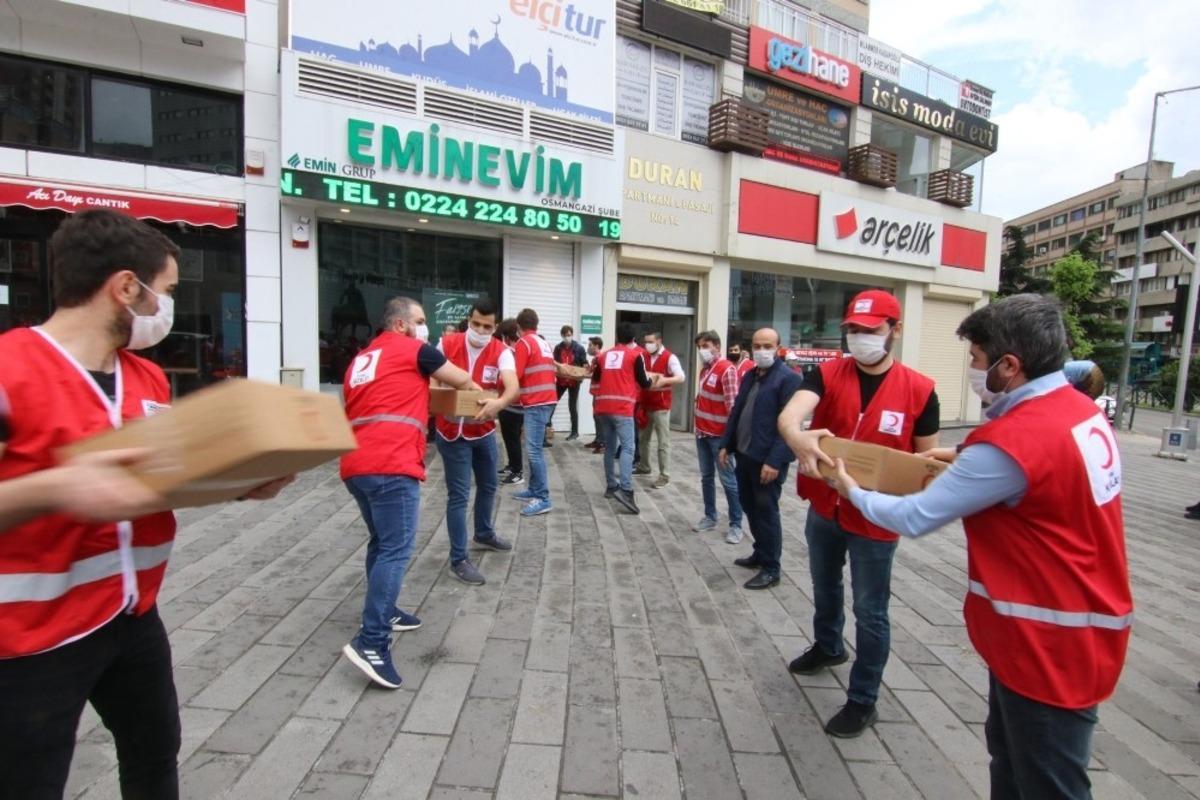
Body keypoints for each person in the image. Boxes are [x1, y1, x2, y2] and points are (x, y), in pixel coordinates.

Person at [0, 210, 291, 798]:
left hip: (133, 618)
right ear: (126, 288)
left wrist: (238, 482)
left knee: (156, 757)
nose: (169, 308)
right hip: (31, 639)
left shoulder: (149, 381)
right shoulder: (9, 370)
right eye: (169, 292)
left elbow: (163, 480)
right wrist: (53, 487)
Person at [823, 294, 1132, 800]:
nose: (971, 368)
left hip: (1047, 641)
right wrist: (961, 451)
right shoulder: (1076, 409)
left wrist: (851, 489)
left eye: (976, 359)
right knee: (1012, 763)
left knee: (1047, 782)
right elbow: (1018, 458)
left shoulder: (1016, 440)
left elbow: (916, 515)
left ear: (1010, 366)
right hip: (1073, 625)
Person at [776, 289, 939, 739]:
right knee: (824, 586)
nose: (860, 338)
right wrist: (797, 437)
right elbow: (792, 416)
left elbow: (927, 466)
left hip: (876, 519)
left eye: (871, 331)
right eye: (853, 330)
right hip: (826, 507)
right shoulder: (825, 373)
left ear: (895, 331)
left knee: (871, 611)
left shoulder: (921, 391)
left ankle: (863, 698)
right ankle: (828, 647)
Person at [340, 296, 478, 689]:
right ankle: (371, 641)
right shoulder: (414, 349)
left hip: (355, 466)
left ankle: (387, 613)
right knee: (396, 549)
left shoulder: (362, 360)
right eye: (419, 320)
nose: (424, 328)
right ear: (400, 324)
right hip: (392, 463)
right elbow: (463, 381)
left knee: (380, 543)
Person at [435, 300, 518, 586]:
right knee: (458, 495)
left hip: (482, 432)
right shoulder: (446, 344)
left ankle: (483, 533)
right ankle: (458, 558)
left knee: (489, 485)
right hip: (451, 432)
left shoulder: (502, 351)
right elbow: (430, 381)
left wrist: (500, 403)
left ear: (495, 327)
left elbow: (512, 385)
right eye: (476, 324)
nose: (480, 330)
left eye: (487, 326)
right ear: (468, 320)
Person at [718, 328, 802, 590]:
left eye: (767, 345)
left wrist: (775, 461)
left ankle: (771, 568)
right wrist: (726, 445)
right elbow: (737, 412)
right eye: (757, 345)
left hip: (767, 460)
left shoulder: (788, 379)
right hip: (745, 454)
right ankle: (760, 552)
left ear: (778, 347)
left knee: (766, 512)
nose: (761, 350)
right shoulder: (750, 375)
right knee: (749, 506)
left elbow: (790, 426)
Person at [593, 322, 654, 514]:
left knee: (610, 448)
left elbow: (596, 378)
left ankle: (611, 486)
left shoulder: (604, 356)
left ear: (617, 337)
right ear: (633, 339)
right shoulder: (636, 355)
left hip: (603, 407)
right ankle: (626, 490)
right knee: (628, 448)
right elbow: (644, 382)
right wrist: (654, 380)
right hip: (622, 408)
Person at [692, 330, 744, 544]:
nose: (702, 351)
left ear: (716, 346)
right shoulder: (705, 370)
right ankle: (710, 516)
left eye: (705, 346)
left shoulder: (727, 370)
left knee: (729, 482)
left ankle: (736, 525)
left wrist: (728, 443)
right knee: (706, 478)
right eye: (700, 347)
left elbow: (733, 409)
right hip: (702, 433)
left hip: (719, 438)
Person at [511, 308, 558, 516]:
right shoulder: (543, 342)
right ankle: (534, 489)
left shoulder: (523, 343)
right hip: (546, 400)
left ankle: (543, 498)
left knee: (534, 451)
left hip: (536, 402)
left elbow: (517, 374)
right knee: (534, 448)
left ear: (518, 328)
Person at [635, 332, 685, 488]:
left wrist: (665, 380)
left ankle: (664, 475)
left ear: (659, 341)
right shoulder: (643, 356)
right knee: (643, 438)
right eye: (645, 342)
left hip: (661, 405)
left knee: (663, 441)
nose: (647, 345)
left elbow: (681, 377)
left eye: (650, 341)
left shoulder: (670, 357)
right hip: (645, 403)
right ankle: (644, 466)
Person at [495, 319, 526, 486]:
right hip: (511, 403)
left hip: (513, 404)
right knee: (509, 438)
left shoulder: (514, 352)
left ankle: (517, 472)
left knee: (512, 438)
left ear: (506, 337)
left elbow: (511, 379)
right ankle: (512, 465)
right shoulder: (516, 350)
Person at [554, 325, 589, 441]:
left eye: (569, 335)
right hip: (561, 380)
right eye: (565, 335)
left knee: (572, 406)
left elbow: (584, 362)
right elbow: (554, 362)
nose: (567, 337)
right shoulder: (558, 348)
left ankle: (575, 432)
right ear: (562, 335)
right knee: (552, 402)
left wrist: (585, 367)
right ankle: (547, 426)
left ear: (572, 335)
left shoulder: (579, 348)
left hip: (574, 381)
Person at [585, 336, 605, 452]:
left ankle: (602, 442)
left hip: (599, 393)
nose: (589, 348)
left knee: (599, 417)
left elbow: (596, 375)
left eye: (590, 345)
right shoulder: (595, 360)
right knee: (596, 416)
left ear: (597, 346)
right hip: (596, 392)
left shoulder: (600, 359)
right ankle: (598, 439)